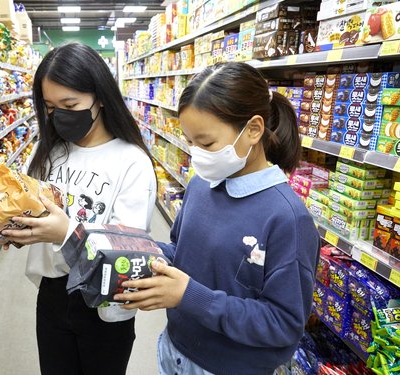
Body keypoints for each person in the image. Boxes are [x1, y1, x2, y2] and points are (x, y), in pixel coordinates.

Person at [114, 62, 320, 375]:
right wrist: (138, 253)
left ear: (253, 129)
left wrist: (189, 296)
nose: (196, 154)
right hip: (174, 349)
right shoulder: (200, 185)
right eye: (192, 142)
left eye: (206, 143)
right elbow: (179, 250)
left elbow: (284, 324)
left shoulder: (288, 218)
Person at [2, 43, 157, 375]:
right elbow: (33, 210)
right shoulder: (50, 153)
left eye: (70, 104)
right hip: (54, 293)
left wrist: (66, 233)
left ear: (100, 96)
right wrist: (12, 225)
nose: (60, 116)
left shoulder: (131, 161)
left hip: (103, 301)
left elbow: (127, 255)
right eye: (50, 107)